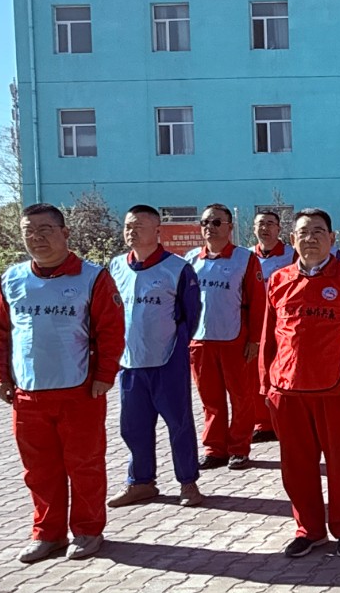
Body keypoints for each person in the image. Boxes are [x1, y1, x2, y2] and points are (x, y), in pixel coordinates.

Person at [0, 203, 124, 562]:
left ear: (65, 233)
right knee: (39, 471)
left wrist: (104, 376)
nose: (36, 238)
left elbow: (111, 331)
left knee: (85, 466)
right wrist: (2, 376)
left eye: (45, 230)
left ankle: (88, 530)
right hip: (28, 395)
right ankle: (47, 534)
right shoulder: (12, 279)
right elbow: (0, 332)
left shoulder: (92, 278)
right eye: (29, 231)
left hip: (79, 392)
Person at [259, 208, 340, 557]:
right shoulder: (278, 280)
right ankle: (308, 529)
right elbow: (268, 338)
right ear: (292, 240)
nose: (310, 239)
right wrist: (266, 385)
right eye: (303, 233)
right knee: (296, 466)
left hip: (337, 388)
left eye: (317, 232)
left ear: (331, 239)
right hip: (287, 389)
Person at [108, 205, 204, 509]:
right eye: (128, 226)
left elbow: (191, 314)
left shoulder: (177, 268)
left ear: (157, 231)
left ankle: (188, 482)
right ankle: (141, 482)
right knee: (133, 427)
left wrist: (177, 348)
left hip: (167, 361)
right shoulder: (116, 267)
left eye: (139, 226)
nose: (131, 232)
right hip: (130, 363)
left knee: (179, 424)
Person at [186, 204, 264, 472]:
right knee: (210, 400)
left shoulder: (244, 258)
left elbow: (258, 302)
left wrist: (254, 340)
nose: (210, 227)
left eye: (217, 222)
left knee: (241, 398)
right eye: (205, 222)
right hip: (200, 341)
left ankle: (239, 449)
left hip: (235, 340)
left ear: (230, 227)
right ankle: (214, 449)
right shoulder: (191, 260)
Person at [249, 209, 296, 441]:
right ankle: (263, 424)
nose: (265, 228)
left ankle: (284, 420)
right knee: (258, 374)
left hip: (284, 324)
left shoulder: (291, 255)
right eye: (260, 224)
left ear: (279, 229)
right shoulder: (247, 256)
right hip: (254, 324)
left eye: (270, 224)